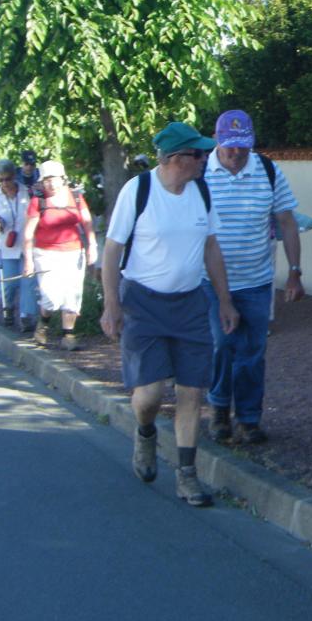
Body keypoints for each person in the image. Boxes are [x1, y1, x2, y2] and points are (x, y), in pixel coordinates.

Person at [99, 122, 239, 507]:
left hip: (190, 303)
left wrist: (224, 300)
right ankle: (145, 431)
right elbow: (112, 251)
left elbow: (211, 248)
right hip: (143, 303)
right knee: (149, 395)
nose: (204, 160)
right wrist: (112, 304)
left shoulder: (201, 191)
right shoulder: (139, 191)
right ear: (177, 159)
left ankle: (187, 475)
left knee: (191, 390)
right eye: (198, 154)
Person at [202, 109, 304, 444]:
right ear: (216, 139)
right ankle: (218, 409)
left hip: (257, 281)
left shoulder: (269, 171)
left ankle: (248, 418)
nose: (236, 153)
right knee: (221, 346)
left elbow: (287, 222)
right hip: (212, 283)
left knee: (252, 352)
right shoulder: (201, 173)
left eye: (243, 146)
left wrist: (294, 271)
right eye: (230, 146)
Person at [22, 160, 97, 350]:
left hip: (73, 252)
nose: (51, 184)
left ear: (62, 178)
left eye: (54, 179)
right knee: (51, 297)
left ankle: (68, 335)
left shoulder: (76, 197)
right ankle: (43, 324)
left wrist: (92, 246)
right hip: (45, 253)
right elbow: (29, 232)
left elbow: (87, 223)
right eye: (46, 180)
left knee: (73, 294)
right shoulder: (38, 201)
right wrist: (29, 260)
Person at [0, 158, 38, 333]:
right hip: (5, 247)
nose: (5, 183)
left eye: (7, 179)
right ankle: (8, 308)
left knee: (28, 282)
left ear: (14, 176)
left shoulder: (28, 193)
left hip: (26, 245)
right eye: (0, 180)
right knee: (8, 284)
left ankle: (27, 316)